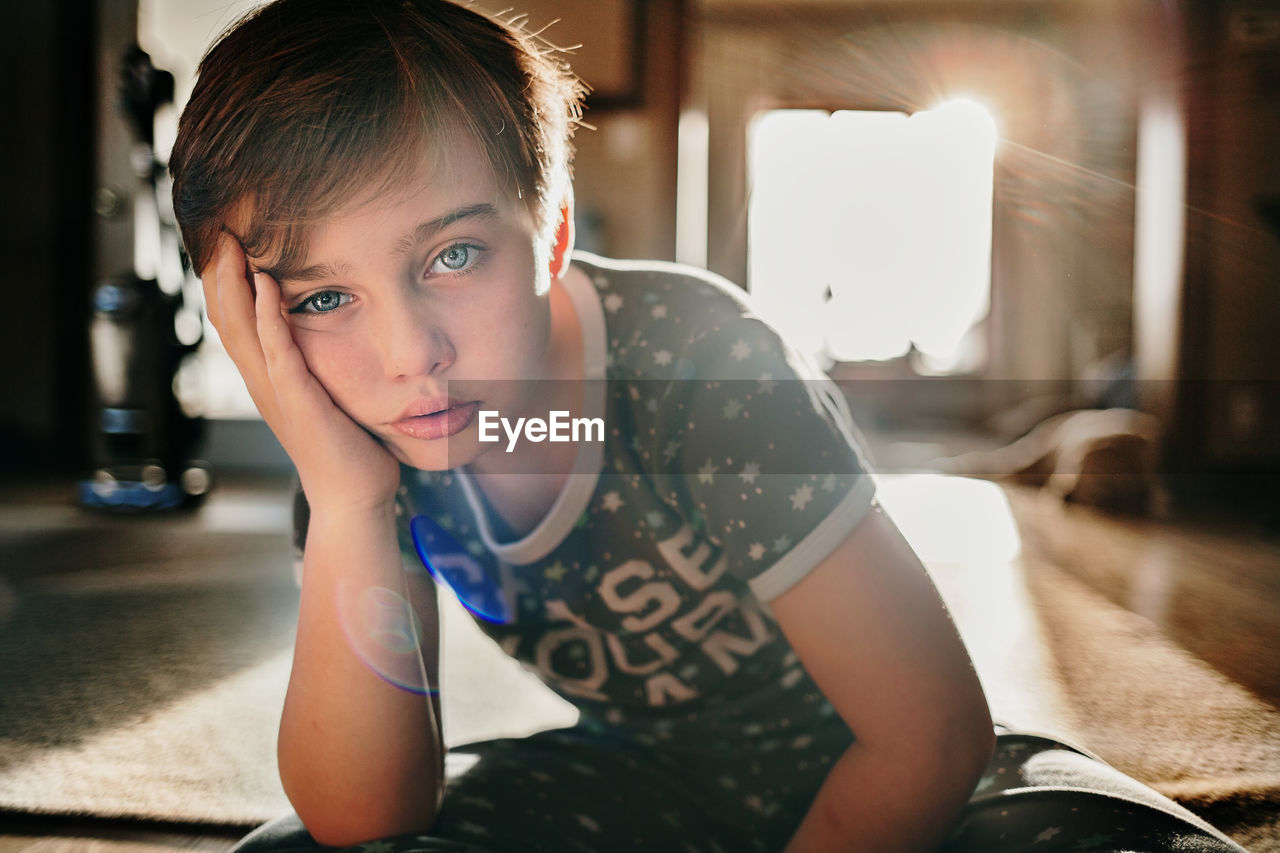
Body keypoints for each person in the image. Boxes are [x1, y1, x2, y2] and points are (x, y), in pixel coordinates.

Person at [169, 2, 1249, 851]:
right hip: (648, 776)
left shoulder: (695, 360)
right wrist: (352, 502)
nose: (410, 355)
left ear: (547, 238)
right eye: (320, 297)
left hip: (921, 774)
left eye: (453, 257)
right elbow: (368, 811)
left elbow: (926, 738)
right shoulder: (353, 431)